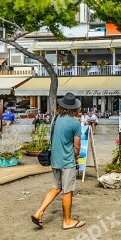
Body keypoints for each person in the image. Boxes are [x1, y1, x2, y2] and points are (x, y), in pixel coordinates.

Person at [32, 93, 84, 230]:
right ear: (75, 108)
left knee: (56, 187)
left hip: (55, 159)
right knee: (67, 191)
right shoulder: (75, 123)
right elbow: (77, 146)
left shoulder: (55, 118)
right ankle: (67, 221)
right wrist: (76, 157)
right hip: (67, 161)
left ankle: (39, 212)